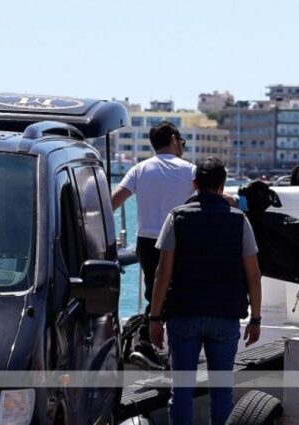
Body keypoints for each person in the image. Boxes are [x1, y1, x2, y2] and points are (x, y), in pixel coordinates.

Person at [148, 157, 262, 425]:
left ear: (195, 184)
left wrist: (154, 317)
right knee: (222, 393)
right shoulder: (240, 221)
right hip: (225, 316)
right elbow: (254, 275)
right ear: (223, 186)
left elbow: (162, 274)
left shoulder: (176, 217)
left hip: (184, 314)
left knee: (181, 392)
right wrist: (255, 318)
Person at [111, 121, 195, 367]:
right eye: (181, 142)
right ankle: (151, 344)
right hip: (177, 241)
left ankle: (147, 344)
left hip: (146, 242)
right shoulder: (190, 170)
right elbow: (213, 196)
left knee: (155, 292)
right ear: (174, 139)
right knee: (176, 295)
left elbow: (113, 202)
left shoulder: (140, 169)